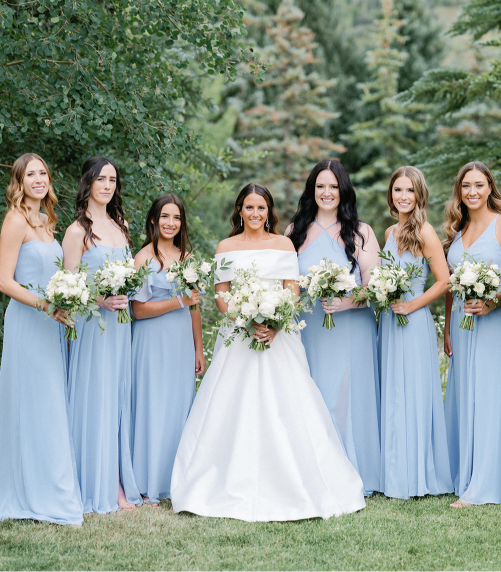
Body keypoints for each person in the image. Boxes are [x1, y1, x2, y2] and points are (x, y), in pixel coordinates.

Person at [170, 183, 366, 522]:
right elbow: (221, 296)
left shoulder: (284, 244)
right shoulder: (226, 246)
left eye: (261, 208)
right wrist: (246, 320)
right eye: (249, 207)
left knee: (289, 405)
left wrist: (274, 323)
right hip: (239, 335)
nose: (255, 214)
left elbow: (292, 291)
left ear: (269, 212)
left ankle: (295, 482)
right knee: (231, 404)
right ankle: (219, 482)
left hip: (280, 337)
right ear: (239, 211)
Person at [0, 153, 84, 525]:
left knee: (50, 406)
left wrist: (67, 299)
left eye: (43, 173)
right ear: (19, 182)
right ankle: (29, 493)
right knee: (32, 403)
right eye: (30, 174)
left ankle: (50, 487)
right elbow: (4, 281)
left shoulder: (48, 222)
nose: (38, 179)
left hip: (51, 325)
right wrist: (45, 306)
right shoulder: (16, 220)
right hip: (28, 323)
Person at [286, 159, 381, 496]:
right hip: (309, 328)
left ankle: (354, 471)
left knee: (347, 398)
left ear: (344, 190)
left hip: (351, 328)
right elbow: (285, 286)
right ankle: (315, 472)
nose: (327, 193)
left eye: (333, 186)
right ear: (312, 191)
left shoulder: (362, 232)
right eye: (320, 186)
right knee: (314, 395)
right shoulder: (294, 231)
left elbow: (375, 289)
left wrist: (346, 302)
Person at [443, 162, 501, 508]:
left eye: (479, 184)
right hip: (463, 327)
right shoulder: (456, 231)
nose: (472, 192)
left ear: (490, 187)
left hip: (496, 327)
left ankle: (489, 482)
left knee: (492, 397)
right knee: (467, 394)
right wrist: (446, 327)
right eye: (466, 186)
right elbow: (449, 285)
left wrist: (493, 302)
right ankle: (465, 474)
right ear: (459, 191)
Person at [63, 156, 142, 513]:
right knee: (95, 398)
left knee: (117, 398)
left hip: (121, 326)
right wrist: (100, 299)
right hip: (93, 325)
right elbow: (67, 288)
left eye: (113, 179)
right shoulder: (76, 230)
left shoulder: (121, 224)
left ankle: (119, 485)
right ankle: (95, 484)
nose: (108, 185)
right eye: (101, 179)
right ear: (88, 184)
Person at [377, 166, 453, 499]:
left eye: (409, 191)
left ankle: (419, 473)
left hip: (414, 318)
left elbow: (444, 280)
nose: (403, 196)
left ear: (419, 194)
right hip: (391, 322)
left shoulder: (425, 231)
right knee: (393, 392)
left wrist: (412, 305)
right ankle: (394, 470)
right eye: (398, 191)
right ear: (391, 195)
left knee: (415, 391)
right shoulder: (389, 233)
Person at [131, 194, 205, 506]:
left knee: (177, 407)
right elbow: (137, 310)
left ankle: (175, 481)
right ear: (153, 220)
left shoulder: (187, 258)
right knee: (152, 405)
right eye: (165, 217)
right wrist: (178, 301)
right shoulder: (144, 258)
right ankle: (147, 482)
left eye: (176, 218)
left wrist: (199, 348)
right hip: (151, 340)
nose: (170, 223)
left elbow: (195, 307)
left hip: (180, 343)